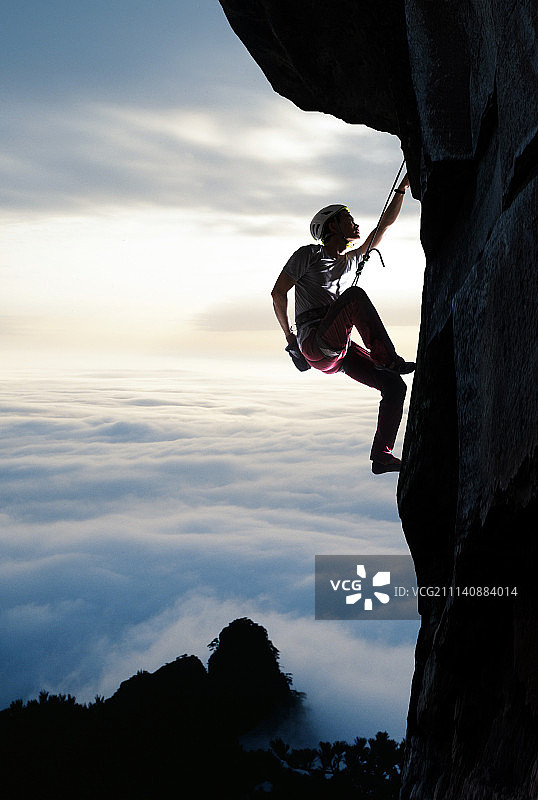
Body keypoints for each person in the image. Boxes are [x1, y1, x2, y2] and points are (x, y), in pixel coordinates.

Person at [271, 173, 415, 474]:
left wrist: (401, 189)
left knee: (394, 387)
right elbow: (278, 292)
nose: (356, 225)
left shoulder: (349, 261)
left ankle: (382, 456)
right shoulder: (308, 256)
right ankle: (386, 357)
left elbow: (383, 226)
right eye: (348, 219)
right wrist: (290, 338)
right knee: (354, 296)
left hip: (337, 351)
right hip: (314, 341)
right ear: (333, 226)